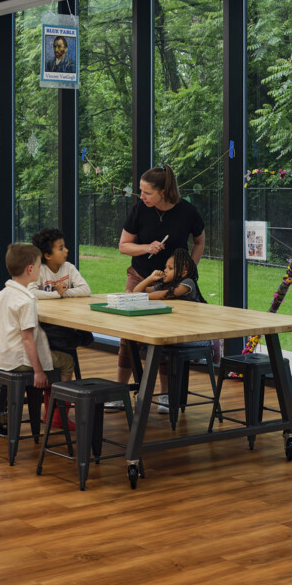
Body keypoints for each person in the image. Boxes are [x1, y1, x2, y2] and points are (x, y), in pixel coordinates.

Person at [116, 165, 204, 386]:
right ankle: (121, 390)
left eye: (147, 192)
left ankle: (166, 394)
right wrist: (146, 247)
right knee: (129, 337)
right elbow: (124, 246)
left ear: (163, 192)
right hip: (139, 276)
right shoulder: (140, 209)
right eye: (140, 191)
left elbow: (199, 241)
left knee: (166, 337)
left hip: (169, 284)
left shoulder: (187, 211)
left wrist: (187, 271)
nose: (141, 196)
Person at [131, 248, 213, 414]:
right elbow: (136, 292)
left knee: (151, 345)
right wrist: (150, 278)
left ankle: (147, 393)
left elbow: (168, 295)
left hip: (193, 336)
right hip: (174, 334)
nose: (165, 270)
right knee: (144, 344)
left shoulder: (188, 283)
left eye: (169, 268)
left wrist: (145, 296)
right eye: (165, 267)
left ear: (182, 271)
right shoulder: (164, 285)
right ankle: (145, 391)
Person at [0, 242, 57, 431]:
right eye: (38, 266)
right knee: (67, 361)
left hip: (1, 358)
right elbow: (27, 338)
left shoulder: (3, 294)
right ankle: (57, 415)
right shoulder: (26, 301)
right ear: (30, 269)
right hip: (19, 361)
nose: (40, 269)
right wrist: (38, 372)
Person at [28, 226, 89, 381]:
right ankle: (60, 394)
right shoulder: (39, 270)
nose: (66, 250)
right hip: (44, 325)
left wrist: (62, 294)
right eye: (61, 248)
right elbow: (31, 292)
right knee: (80, 338)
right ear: (47, 255)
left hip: (63, 320)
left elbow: (85, 290)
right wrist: (55, 294)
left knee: (82, 337)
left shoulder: (68, 268)